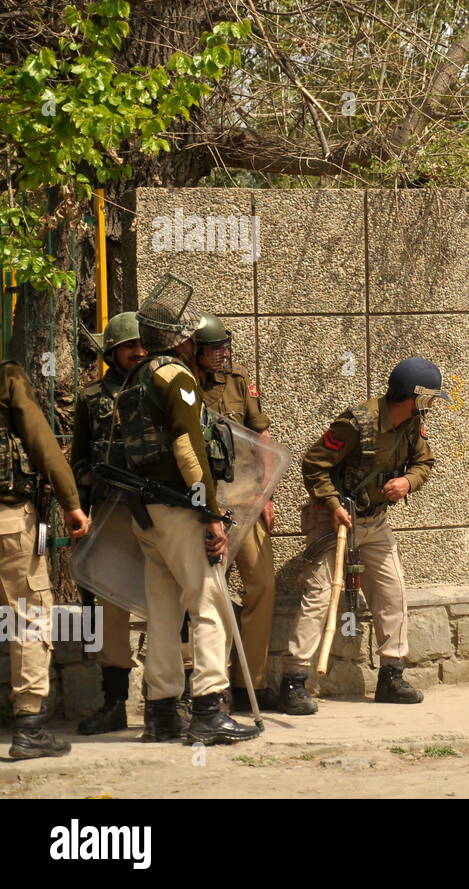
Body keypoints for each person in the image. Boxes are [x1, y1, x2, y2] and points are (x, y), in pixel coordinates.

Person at [116, 275, 257, 744]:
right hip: (179, 508)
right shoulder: (175, 377)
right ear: (180, 339)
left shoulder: (136, 379)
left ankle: (160, 713)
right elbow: (186, 445)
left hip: (147, 510)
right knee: (209, 603)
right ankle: (208, 711)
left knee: (161, 609)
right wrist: (211, 512)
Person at [281, 358, 444, 714]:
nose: (430, 405)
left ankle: (392, 674)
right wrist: (332, 504)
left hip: (375, 521)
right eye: (428, 397)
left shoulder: (414, 425)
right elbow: (313, 463)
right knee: (319, 597)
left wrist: (407, 482)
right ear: (411, 396)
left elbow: (424, 465)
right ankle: (293, 681)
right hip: (334, 520)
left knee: (392, 592)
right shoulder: (357, 423)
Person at [2, 363, 91, 759]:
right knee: (28, 612)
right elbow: (42, 444)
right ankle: (29, 728)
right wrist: (71, 503)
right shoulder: (8, 377)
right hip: (7, 520)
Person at [189, 314, 277, 713]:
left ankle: (249, 685)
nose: (222, 354)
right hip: (206, 506)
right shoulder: (182, 382)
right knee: (211, 594)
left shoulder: (239, 381)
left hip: (246, 500)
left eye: (225, 346)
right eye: (214, 348)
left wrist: (267, 492)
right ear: (195, 350)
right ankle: (213, 686)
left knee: (261, 586)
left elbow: (260, 434)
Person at [71, 312, 147, 736]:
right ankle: (115, 701)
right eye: (128, 346)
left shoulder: (165, 387)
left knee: (173, 601)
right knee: (112, 606)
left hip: (158, 508)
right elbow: (78, 456)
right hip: (114, 510)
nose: (138, 352)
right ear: (112, 352)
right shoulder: (93, 397)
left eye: (143, 345)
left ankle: (176, 698)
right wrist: (87, 488)